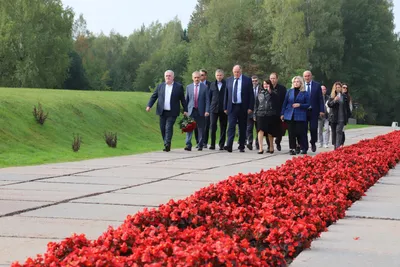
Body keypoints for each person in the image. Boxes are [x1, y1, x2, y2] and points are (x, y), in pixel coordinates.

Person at [146, 70, 188, 152]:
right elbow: (154, 96)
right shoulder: (160, 86)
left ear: (173, 77)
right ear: (164, 77)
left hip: (173, 111)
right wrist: (149, 105)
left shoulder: (178, 87)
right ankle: (166, 142)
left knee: (168, 127)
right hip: (162, 111)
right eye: (166, 76)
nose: (168, 77)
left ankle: (167, 144)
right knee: (162, 128)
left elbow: (182, 99)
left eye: (169, 76)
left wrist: (185, 110)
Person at [224, 65, 254, 153]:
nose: (236, 74)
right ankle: (229, 145)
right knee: (231, 126)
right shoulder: (229, 80)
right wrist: (225, 107)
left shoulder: (247, 80)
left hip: (242, 106)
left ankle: (241, 145)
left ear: (241, 71)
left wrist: (250, 107)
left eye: (238, 72)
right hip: (232, 106)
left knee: (242, 126)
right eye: (235, 72)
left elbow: (251, 95)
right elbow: (226, 95)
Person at [281, 76, 310, 155]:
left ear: (301, 83)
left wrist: (299, 105)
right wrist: (282, 113)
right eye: (294, 81)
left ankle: (302, 147)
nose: (296, 83)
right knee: (291, 133)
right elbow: (285, 103)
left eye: (298, 81)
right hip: (290, 114)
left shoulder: (305, 93)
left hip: (300, 115)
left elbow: (308, 104)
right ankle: (292, 148)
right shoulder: (289, 91)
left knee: (300, 132)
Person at [184, 71, 210, 151]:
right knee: (189, 128)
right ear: (192, 78)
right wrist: (185, 110)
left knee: (201, 128)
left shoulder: (204, 87)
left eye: (198, 77)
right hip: (191, 110)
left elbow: (207, 100)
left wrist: (207, 110)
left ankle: (200, 144)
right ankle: (188, 144)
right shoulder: (189, 87)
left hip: (200, 110)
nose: (196, 79)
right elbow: (186, 100)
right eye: (195, 77)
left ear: (200, 78)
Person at [255, 79, 281, 154]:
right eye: (264, 84)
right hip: (260, 114)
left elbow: (276, 102)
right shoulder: (259, 94)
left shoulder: (274, 93)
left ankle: (271, 147)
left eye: (267, 84)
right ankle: (260, 148)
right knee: (260, 131)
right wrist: (255, 114)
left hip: (270, 114)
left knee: (270, 132)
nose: (265, 85)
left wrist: (270, 92)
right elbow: (256, 105)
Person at [303, 70, 325, 152]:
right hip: (304, 111)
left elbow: (320, 99)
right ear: (303, 77)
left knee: (313, 128)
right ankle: (304, 146)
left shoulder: (317, 85)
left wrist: (321, 110)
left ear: (311, 76)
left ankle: (313, 142)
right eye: (305, 76)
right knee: (303, 129)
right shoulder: (301, 85)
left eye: (308, 76)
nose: (307, 77)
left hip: (314, 111)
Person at [327, 82, 351, 150]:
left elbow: (347, 108)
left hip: (341, 118)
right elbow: (329, 105)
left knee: (339, 132)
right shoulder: (332, 96)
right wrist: (334, 100)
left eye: (339, 87)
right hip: (334, 118)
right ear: (334, 88)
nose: (338, 88)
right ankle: (335, 146)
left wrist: (348, 116)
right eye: (337, 87)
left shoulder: (344, 96)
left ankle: (338, 147)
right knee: (334, 133)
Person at [268, 72, 287, 151]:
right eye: (271, 78)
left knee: (280, 129)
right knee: (269, 130)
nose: (272, 80)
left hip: (279, 111)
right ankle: (270, 146)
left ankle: (278, 142)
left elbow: (285, 101)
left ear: (277, 79)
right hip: (269, 112)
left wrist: (283, 112)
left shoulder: (282, 89)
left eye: (274, 78)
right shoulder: (267, 87)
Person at [209, 69, 227, 150]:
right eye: (217, 75)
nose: (219, 77)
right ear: (215, 76)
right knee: (213, 126)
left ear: (223, 76)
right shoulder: (212, 85)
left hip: (223, 109)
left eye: (220, 75)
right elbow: (209, 97)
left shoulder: (226, 84)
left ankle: (221, 144)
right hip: (213, 109)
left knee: (223, 127)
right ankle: (212, 144)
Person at [195, 69, 211, 148]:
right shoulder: (194, 85)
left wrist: (208, 109)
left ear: (205, 76)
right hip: (196, 108)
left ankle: (204, 142)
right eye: (200, 75)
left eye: (203, 75)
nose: (201, 76)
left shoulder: (209, 85)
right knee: (196, 126)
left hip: (205, 109)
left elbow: (210, 97)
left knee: (205, 126)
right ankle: (198, 142)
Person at [246, 75, 260, 150]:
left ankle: (258, 143)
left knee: (258, 128)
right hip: (250, 111)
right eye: (253, 81)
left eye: (256, 81)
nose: (254, 82)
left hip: (258, 111)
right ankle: (250, 142)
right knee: (249, 128)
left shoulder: (261, 89)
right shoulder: (248, 88)